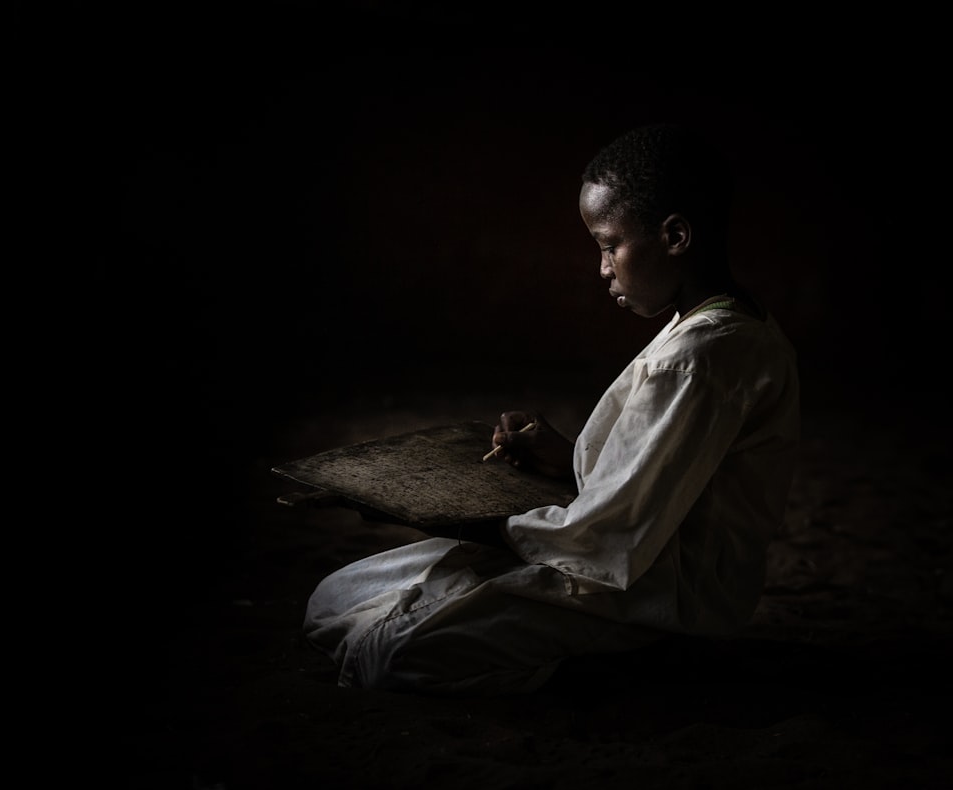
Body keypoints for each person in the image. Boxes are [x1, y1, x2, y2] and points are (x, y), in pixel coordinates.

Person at [303, 122, 801, 695]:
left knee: (387, 654)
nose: (603, 267)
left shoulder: (701, 358)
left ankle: (645, 660)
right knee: (334, 601)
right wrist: (567, 459)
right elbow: (655, 482)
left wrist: (442, 513)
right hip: (610, 556)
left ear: (676, 236)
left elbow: (609, 535)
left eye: (609, 244)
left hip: (657, 588)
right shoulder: (710, 328)